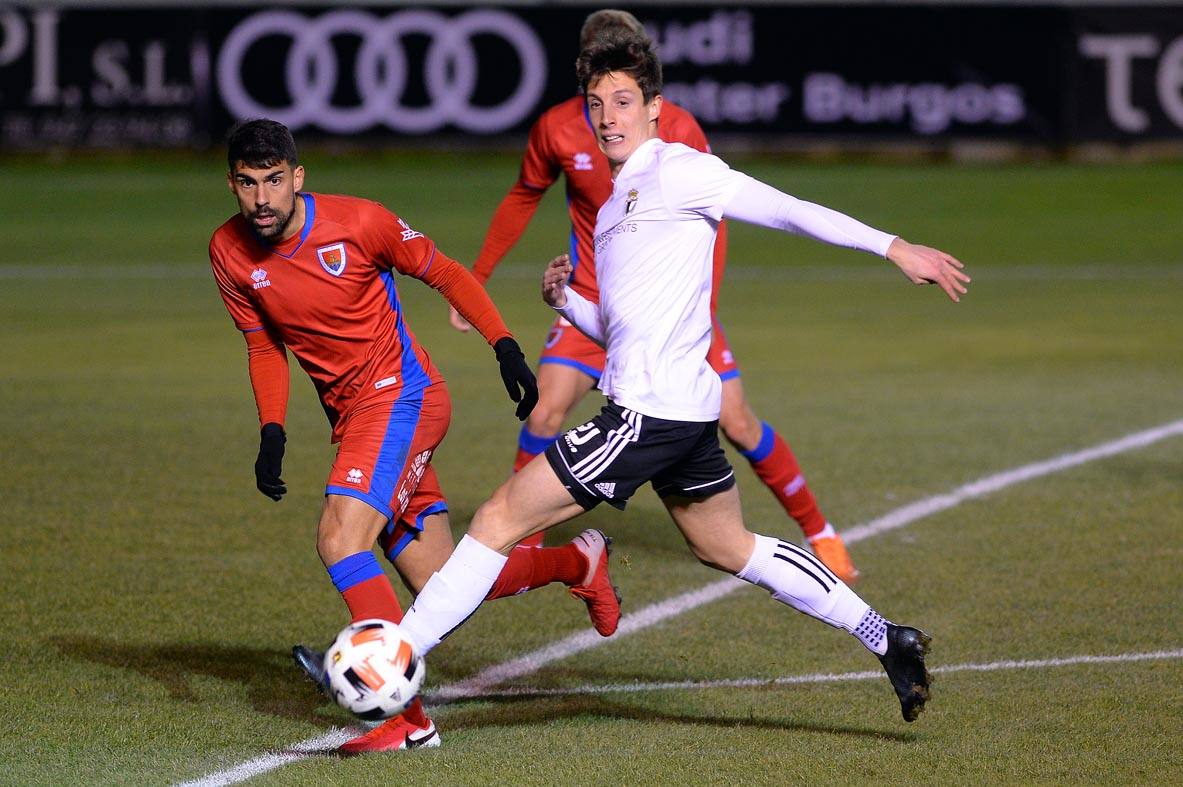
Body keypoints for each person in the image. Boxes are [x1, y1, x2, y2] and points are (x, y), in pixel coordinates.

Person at [398, 30, 970, 724]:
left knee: (495, 518)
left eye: (622, 101)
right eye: (595, 103)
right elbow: (626, 329)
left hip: (647, 415)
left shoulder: (678, 168)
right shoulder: (613, 206)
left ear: (653, 109)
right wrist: (567, 303)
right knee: (725, 545)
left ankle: (390, 659)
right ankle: (887, 637)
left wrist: (892, 246)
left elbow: (785, 208)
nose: (607, 116)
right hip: (681, 411)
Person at [208, 119, 622, 754]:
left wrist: (504, 346)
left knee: (341, 537)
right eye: (246, 184)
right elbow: (263, 344)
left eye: (272, 182)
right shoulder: (229, 252)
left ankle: (406, 721)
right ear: (230, 184)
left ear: (297, 178)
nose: (261, 199)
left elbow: (446, 273)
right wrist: (271, 429)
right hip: (353, 419)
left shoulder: (359, 222)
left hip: (403, 397)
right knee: (440, 586)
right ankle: (578, 562)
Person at [450, 9, 860, 583]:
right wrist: (477, 277)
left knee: (737, 423)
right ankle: (525, 548)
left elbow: (715, 214)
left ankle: (820, 532)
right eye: (597, 87)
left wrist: (702, 311)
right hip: (591, 302)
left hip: (673, 313)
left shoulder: (678, 128)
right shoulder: (559, 129)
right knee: (544, 408)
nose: (609, 108)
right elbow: (523, 196)